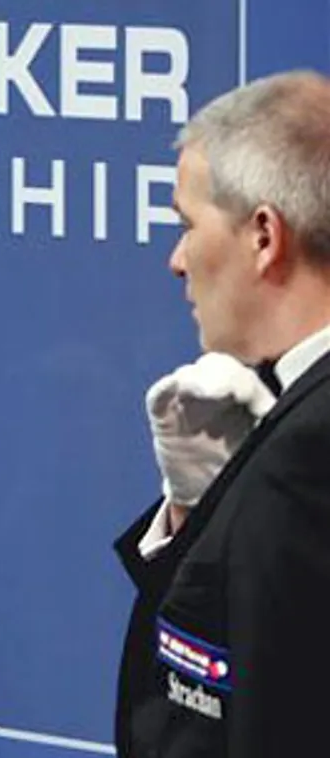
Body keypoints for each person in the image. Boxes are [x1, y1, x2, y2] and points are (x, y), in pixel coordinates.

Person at [115, 70, 330, 757]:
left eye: (187, 225)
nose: (176, 261)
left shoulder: (302, 462)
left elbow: (251, 720)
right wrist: (196, 513)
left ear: (263, 235)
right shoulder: (290, 426)